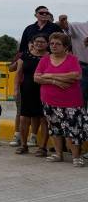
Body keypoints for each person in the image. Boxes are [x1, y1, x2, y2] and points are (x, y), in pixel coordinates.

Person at [35, 32, 87, 166]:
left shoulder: (72, 59)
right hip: (49, 100)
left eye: (57, 44)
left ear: (65, 46)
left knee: (73, 130)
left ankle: (76, 156)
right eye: (51, 43)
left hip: (71, 102)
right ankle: (58, 154)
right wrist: (54, 81)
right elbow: (36, 78)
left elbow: (76, 76)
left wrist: (49, 75)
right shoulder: (44, 60)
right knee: (54, 128)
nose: (53, 46)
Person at [14, 34, 49, 155]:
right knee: (24, 118)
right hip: (27, 91)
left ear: (47, 44)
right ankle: (24, 145)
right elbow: (18, 73)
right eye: (37, 41)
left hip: (45, 91)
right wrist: (16, 89)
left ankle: (43, 148)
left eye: (42, 41)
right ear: (33, 43)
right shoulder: (24, 55)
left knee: (44, 119)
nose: (39, 43)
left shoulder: (50, 57)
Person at [57, 14, 88, 107]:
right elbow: (64, 26)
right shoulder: (78, 26)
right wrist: (62, 22)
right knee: (81, 99)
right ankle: (82, 121)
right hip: (83, 68)